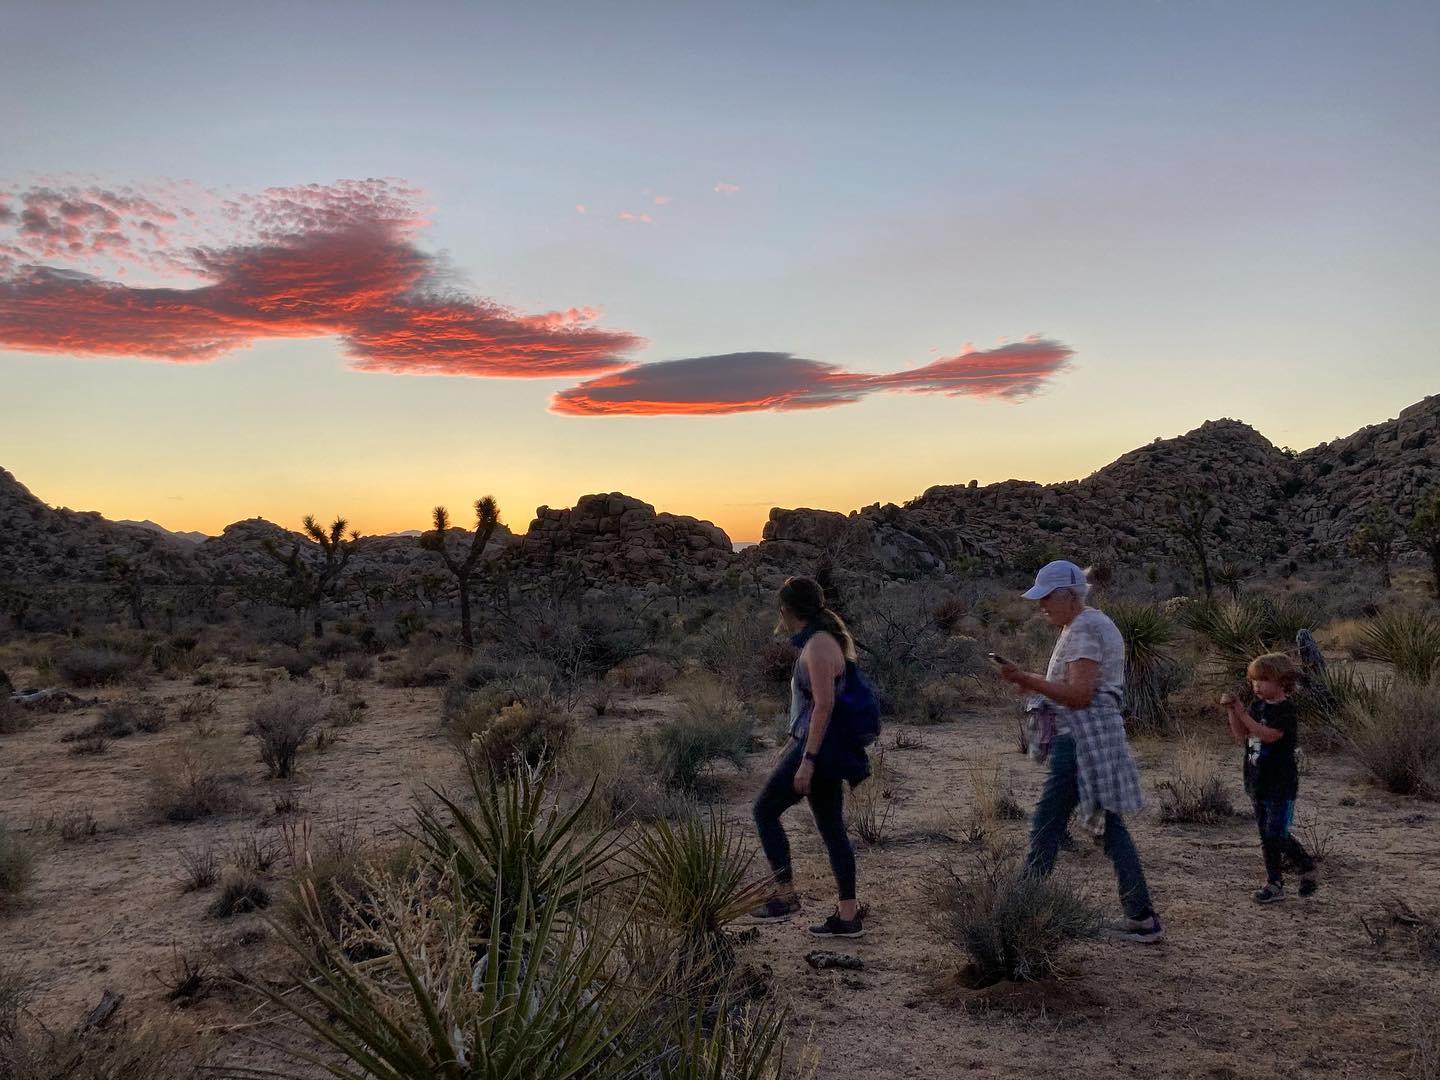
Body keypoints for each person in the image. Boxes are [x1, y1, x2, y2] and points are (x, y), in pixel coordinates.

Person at [998, 560, 1165, 944]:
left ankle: (1022, 906)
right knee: (1104, 825)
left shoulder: (1086, 628)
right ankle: (1140, 917)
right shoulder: (1082, 625)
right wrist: (1035, 684)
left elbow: (1079, 695)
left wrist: (1027, 679)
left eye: (1046, 599)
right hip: (1086, 736)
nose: (1041, 607)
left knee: (1048, 821)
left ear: (1068, 595)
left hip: (1082, 738)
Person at [749, 576, 866, 938]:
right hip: (824, 747)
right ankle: (847, 917)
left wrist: (807, 759)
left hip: (818, 749)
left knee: (764, 811)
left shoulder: (816, 647)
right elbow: (815, 705)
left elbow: (825, 705)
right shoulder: (827, 640)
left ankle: (785, 896)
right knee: (832, 830)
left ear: (786, 611)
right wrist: (792, 744)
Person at [1220, 653, 1317, 904]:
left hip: (1280, 782)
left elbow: (1269, 735)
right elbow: (1243, 735)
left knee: (1276, 832)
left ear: (1281, 680)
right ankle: (1276, 881)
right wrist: (1233, 712)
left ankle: (1300, 867)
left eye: (1263, 679)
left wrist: (1242, 714)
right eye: (1254, 680)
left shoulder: (1284, 710)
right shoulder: (1257, 707)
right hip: (1257, 778)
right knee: (1267, 834)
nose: (1257, 685)